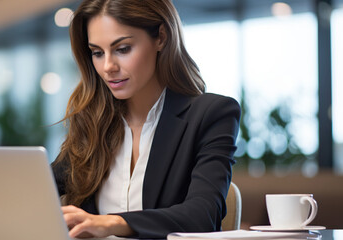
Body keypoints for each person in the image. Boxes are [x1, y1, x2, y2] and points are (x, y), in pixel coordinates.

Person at [51, 0, 241, 238]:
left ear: (161, 37)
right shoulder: (93, 121)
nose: (108, 66)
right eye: (97, 53)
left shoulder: (212, 114)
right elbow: (39, 188)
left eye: (123, 49)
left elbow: (202, 216)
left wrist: (110, 223)